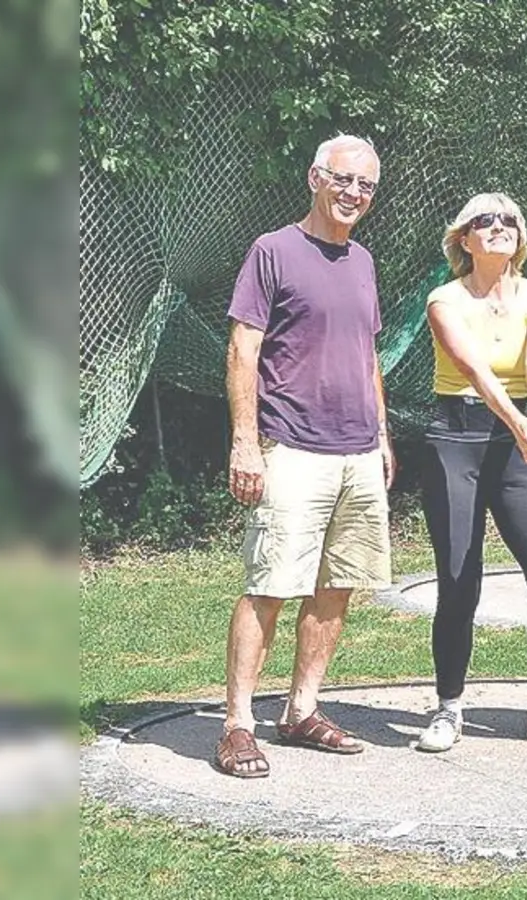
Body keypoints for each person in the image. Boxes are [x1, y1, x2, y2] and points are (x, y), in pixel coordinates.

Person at [214, 134, 395, 778]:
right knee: (269, 586)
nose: (354, 194)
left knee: (336, 587)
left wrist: (381, 436)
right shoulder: (273, 251)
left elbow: (367, 355)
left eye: (367, 186)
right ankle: (237, 724)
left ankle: (301, 711)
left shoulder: (364, 261)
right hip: (290, 447)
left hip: (357, 452)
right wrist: (245, 441)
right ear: (316, 178)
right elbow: (244, 350)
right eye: (344, 181)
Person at [413, 193, 527, 753]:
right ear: (464, 240)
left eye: (510, 220)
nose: (499, 227)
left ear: (521, 237)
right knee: (459, 583)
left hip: (518, 441)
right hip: (455, 439)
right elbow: (474, 370)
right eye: (484, 221)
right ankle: (448, 709)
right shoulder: (443, 299)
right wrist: (520, 421)